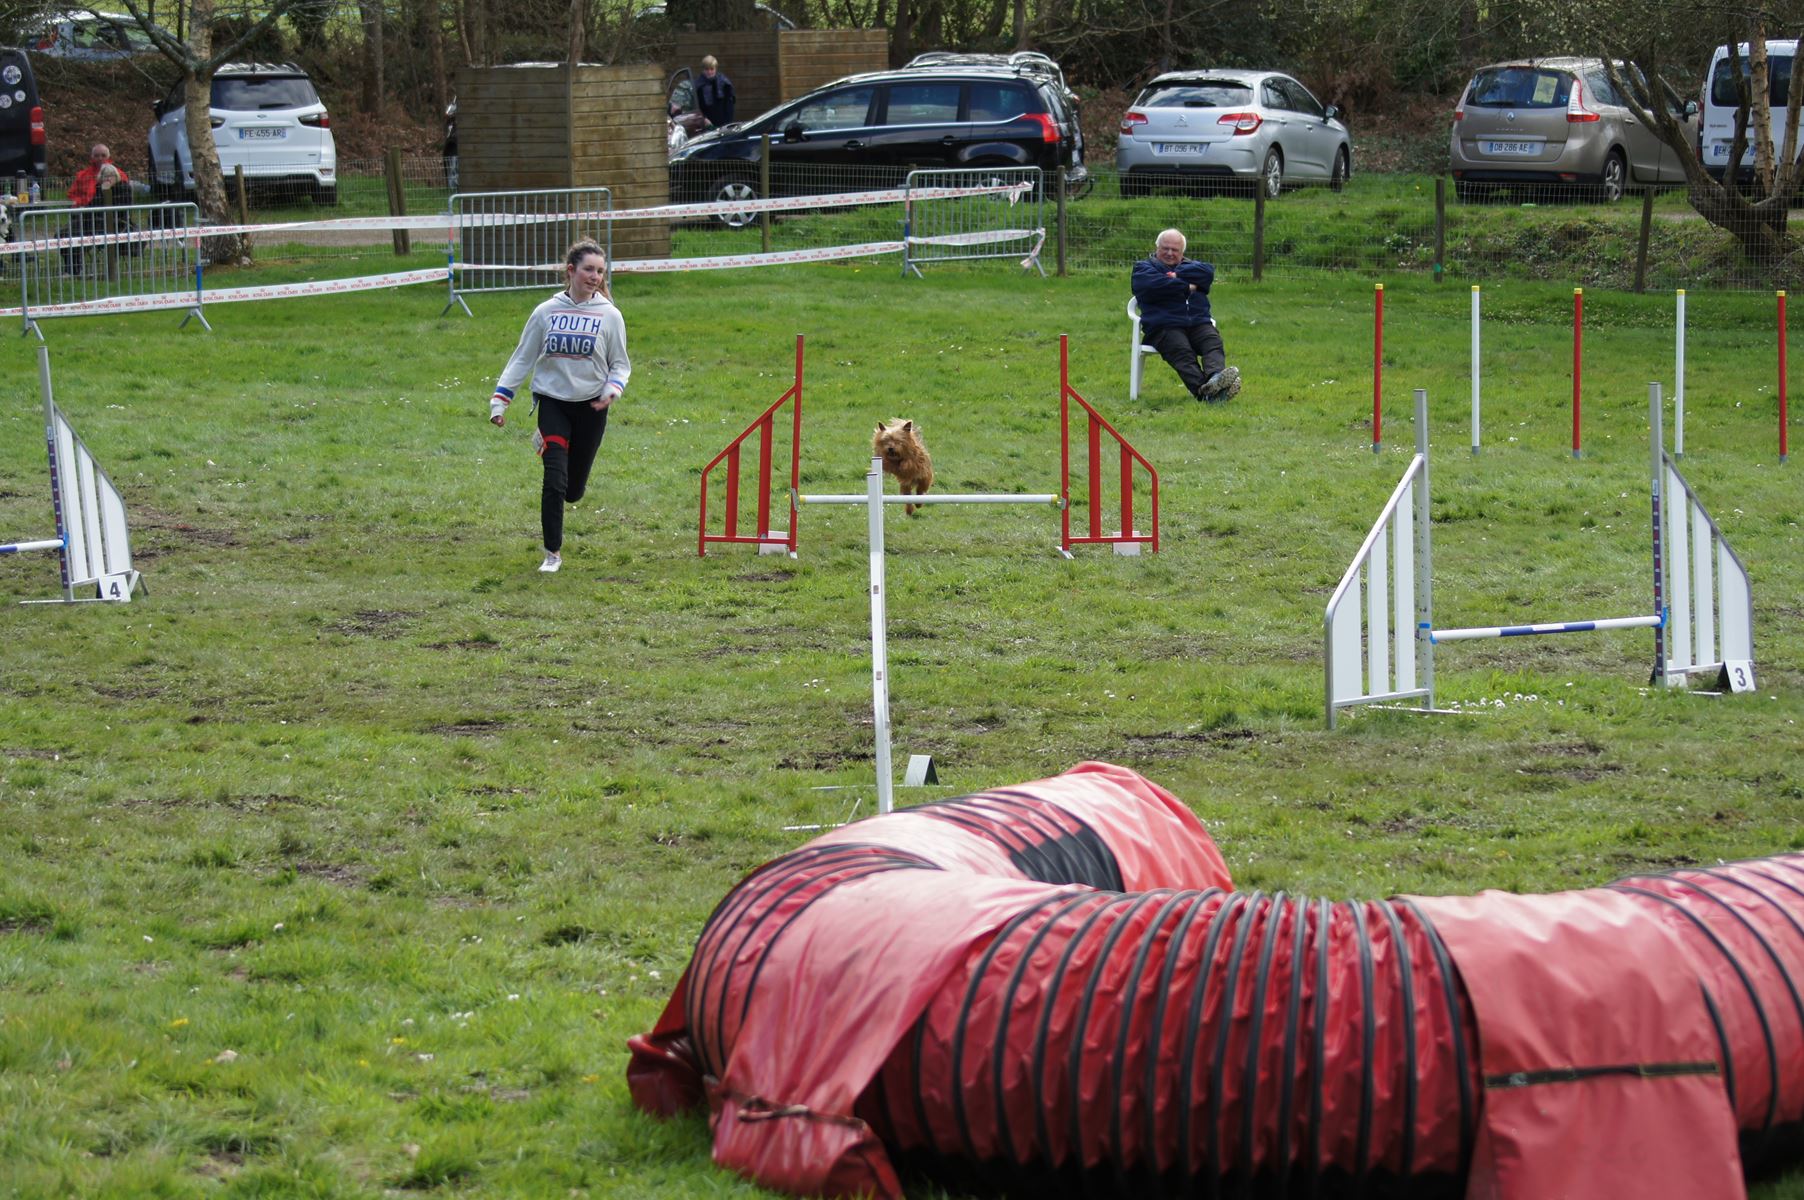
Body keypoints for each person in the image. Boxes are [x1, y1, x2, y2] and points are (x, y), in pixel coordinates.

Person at [488, 240, 630, 574]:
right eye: (588, 270)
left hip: (592, 408)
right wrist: (500, 402)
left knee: (572, 490)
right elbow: (521, 359)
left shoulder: (610, 316)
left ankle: (565, 477)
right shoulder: (545, 312)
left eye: (600, 271)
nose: (595, 277)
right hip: (552, 403)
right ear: (571, 271)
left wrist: (613, 389)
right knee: (554, 478)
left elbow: (621, 365)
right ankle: (552, 553)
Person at [1130, 228, 1241, 403]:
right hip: (1164, 326)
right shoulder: (1143, 268)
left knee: (1212, 342)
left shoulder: (1193, 266)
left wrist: (1176, 275)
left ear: (1182, 253)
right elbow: (1153, 286)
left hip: (1197, 323)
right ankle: (1208, 394)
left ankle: (1215, 379)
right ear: (1156, 248)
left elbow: (1207, 273)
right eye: (1165, 248)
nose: (1169, 253)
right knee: (1182, 352)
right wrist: (1187, 286)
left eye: (1175, 250)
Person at [65, 144, 130, 275]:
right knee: (64, 235)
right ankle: (73, 269)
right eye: (96, 155)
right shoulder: (82, 175)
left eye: (103, 155)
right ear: (91, 157)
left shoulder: (120, 177)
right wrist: (80, 204)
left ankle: (110, 269)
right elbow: (72, 196)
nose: (100, 158)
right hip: (86, 218)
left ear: (109, 157)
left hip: (111, 224)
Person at [696, 55, 736, 128]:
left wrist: (727, 125)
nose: (709, 72)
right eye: (707, 69)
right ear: (703, 70)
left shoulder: (724, 83)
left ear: (715, 69)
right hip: (706, 125)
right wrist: (704, 119)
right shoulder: (699, 85)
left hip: (724, 123)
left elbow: (729, 106)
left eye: (712, 69)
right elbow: (697, 106)